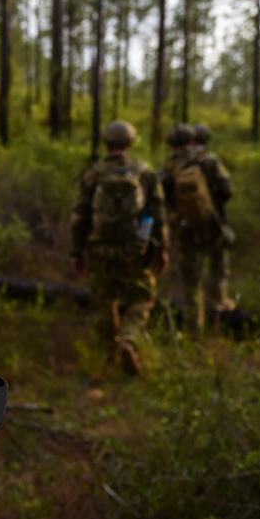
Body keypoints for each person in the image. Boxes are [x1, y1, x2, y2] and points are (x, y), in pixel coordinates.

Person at [70, 120, 169, 375]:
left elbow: (80, 216)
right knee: (141, 298)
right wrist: (162, 249)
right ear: (130, 142)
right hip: (135, 251)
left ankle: (106, 360)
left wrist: (76, 252)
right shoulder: (144, 173)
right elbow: (158, 214)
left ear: (107, 142)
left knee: (104, 303)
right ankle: (129, 339)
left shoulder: (94, 173)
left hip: (99, 250)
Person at [161, 123, 234, 336]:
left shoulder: (168, 167)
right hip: (213, 222)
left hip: (184, 227)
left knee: (192, 281)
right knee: (219, 260)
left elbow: (162, 199)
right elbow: (228, 189)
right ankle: (219, 302)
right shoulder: (208, 161)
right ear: (192, 141)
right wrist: (210, 205)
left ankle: (194, 329)